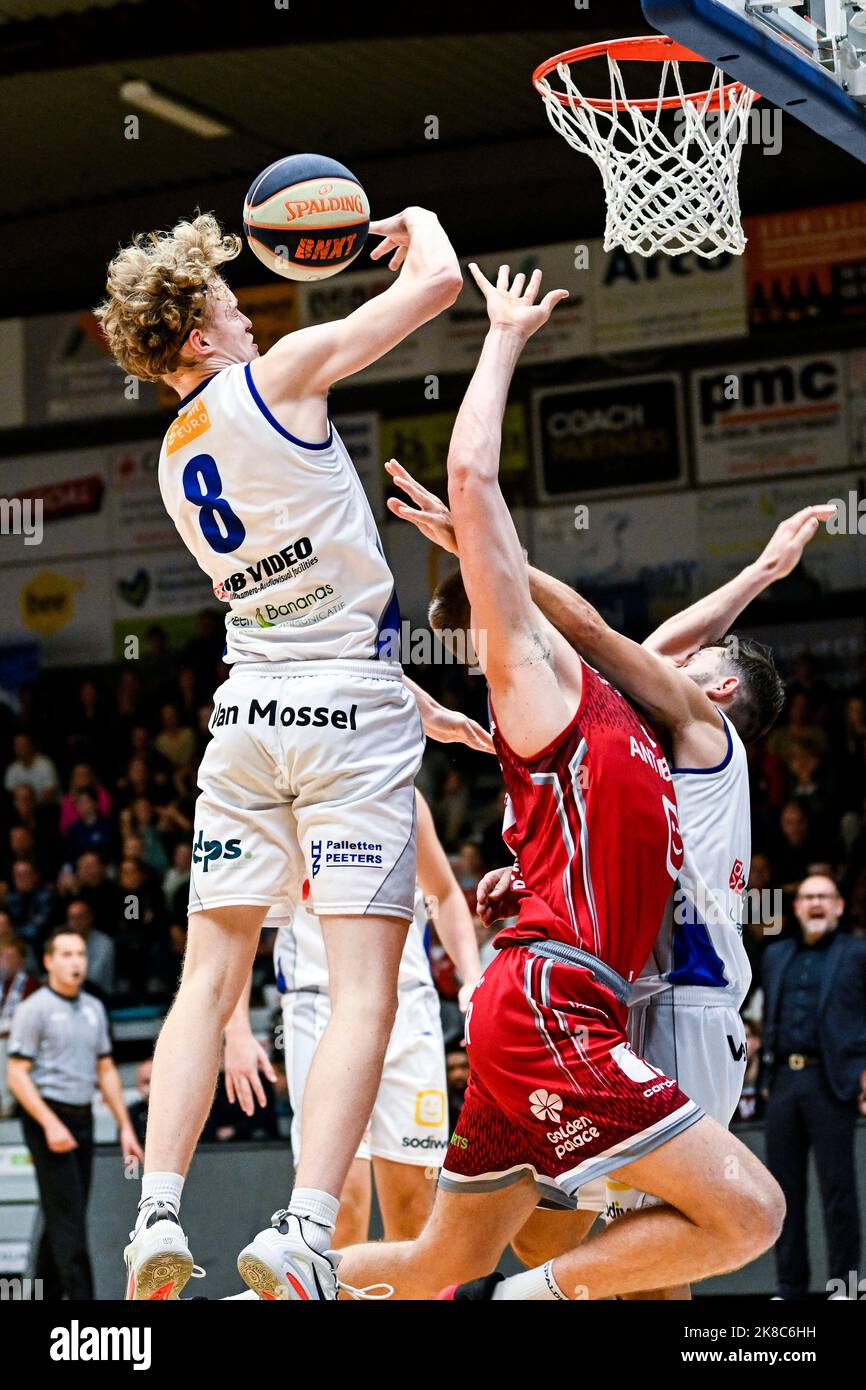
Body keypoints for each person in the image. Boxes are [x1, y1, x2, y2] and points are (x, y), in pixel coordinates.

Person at [330, 265, 784, 1302]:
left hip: (544, 988)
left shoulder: (623, 718)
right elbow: (477, 488)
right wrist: (500, 337)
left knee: (439, 1259)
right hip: (554, 996)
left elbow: (611, 632)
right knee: (746, 1214)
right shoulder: (535, 689)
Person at [96, 206, 490, 1301]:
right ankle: (306, 1227)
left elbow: (292, 608)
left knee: (204, 977)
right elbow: (437, 289)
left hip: (250, 712)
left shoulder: (174, 455)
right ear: (196, 337)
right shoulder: (284, 379)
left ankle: (156, 1213)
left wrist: (405, 693)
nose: (252, 320)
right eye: (230, 307)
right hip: (342, 718)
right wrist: (418, 224)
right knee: (366, 984)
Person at [224, 789, 482, 1259]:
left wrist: (472, 978)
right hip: (319, 1008)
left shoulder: (402, 791)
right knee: (337, 1210)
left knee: (415, 1211)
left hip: (408, 1007)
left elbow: (442, 892)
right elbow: (243, 918)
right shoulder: (280, 798)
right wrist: (237, 1028)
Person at [6, 929, 143, 1300]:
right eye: (65, 954)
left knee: (65, 1214)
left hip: (81, 1116)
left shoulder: (93, 1008)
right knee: (69, 1219)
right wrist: (50, 1124)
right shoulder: (34, 1009)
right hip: (46, 1116)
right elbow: (16, 1075)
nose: (76, 962)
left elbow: (106, 1069)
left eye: (80, 953)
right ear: (48, 961)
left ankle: (40, 1293)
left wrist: (125, 1127)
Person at [761, 874, 866, 1300]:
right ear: (796, 907)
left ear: (839, 906)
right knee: (782, 1193)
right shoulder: (774, 954)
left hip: (831, 1081)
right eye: (808, 897)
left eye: (824, 897)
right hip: (783, 1081)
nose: (816, 904)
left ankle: (846, 1285)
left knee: (838, 1190)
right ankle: (790, 1289)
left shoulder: (858, 952)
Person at [0, 937, 39, 1118]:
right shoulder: (2, 984)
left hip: (21, 1038)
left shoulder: (30, 984)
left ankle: (8, 1106)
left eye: (11, 957)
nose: (6, 961)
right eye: (3, 957)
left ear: (21, 960)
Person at [3, 732, 59, 803]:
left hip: (47, 809)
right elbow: (10, 794)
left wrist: (31, 808)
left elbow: (49, 794)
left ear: (32, 746)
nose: (20, 749)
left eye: (23, 745)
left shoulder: (45, 765)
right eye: (17, 745)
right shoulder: (12, 769)